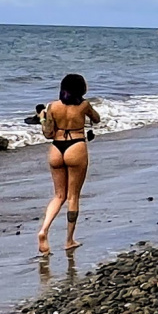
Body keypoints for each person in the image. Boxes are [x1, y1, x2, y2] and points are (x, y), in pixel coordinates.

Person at [35, 73, 102, 253]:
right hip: (76, 146)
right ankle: (69, 240)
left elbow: (48, 133)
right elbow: (97, 119)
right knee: (73, 196)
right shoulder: (84, 105)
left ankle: (44, 230)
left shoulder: (52, 107)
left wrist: (42, 117)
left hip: (56, 148)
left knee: (58, 196)